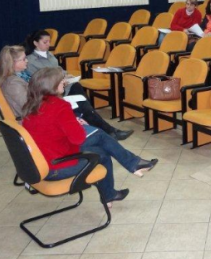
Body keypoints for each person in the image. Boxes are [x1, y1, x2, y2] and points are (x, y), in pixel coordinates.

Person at [21, 67, 158, 207]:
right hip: (55, 166)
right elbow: (78, 139)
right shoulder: (60, 106)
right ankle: (131, 168)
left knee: (101, 148)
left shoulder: (32, 104)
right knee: (100, 141)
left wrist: (70, 123)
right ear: (52, 85)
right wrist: (76, 124)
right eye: (61, 80)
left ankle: (114, 189)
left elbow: (50, 129)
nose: (64, 82)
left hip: (39, 161)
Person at [0, 46, 133, 140]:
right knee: (81, 106)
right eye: (23, 59)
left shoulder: (19, 76)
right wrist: (54, 96)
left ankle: (105, 130)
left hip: (40, 109)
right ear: (13, 62)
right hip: (36, 118)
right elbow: (29, 107)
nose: (27, 61)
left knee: (78, 96)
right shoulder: (14, 83)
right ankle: (105, 131)